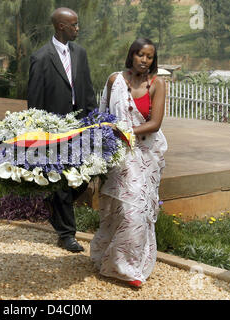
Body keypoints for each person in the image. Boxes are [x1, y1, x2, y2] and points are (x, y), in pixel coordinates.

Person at [90, 38, 168, 288]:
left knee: (137, 211)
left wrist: (125, 131)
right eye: (140, 55)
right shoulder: (115, 81)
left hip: (145, 157)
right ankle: (108, 257)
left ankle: (128, 267)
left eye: (149, 57)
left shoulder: (157, 84)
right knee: (117, 209)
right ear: (131, 55)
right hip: (118, 156)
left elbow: (155, 123)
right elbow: (103, 115)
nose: (145, 61)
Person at [27, 7, 97, 252]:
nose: (78, 29)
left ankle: (52, 207)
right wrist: (39, 134)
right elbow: (34, 101)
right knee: (63, 182)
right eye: (74, 25)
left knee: (81, 179)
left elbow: (87, 89)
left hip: (80, 128)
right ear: (60, 27)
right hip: (54, 132)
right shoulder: (41, 58)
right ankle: (67, 234)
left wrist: (93, 123)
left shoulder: (80, 53)